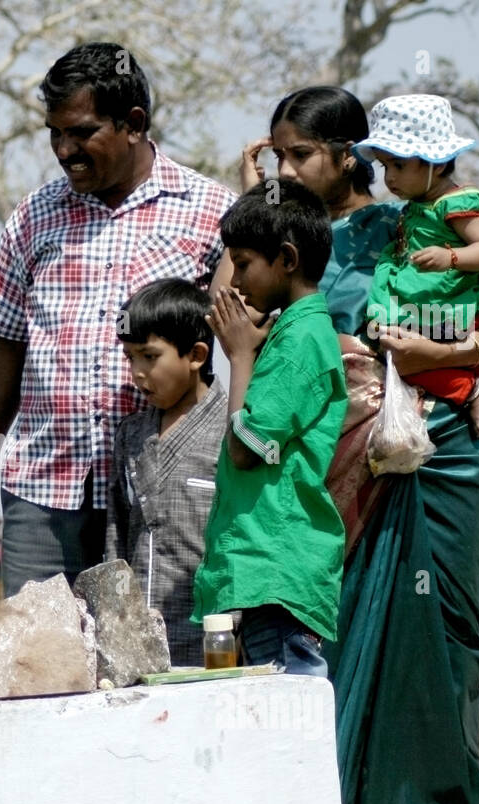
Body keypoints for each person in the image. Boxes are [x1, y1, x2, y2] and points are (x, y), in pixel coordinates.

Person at [240, 86, 479, 804]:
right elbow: (237, 324)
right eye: (276, 155)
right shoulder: (290, 237)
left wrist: (436, 352)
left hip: (432, 453)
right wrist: (252, 205)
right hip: (331, 468)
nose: (287, 168)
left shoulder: (409, 222)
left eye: (300, 154)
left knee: (444, 637)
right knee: (340, 643)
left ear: (353, 156)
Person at [0, 41, 236, 596]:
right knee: (42, 667)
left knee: (158, 666)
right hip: (43, 496)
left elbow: (248, 345)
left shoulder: (212, 214)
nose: (64, 149)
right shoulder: (34, 217)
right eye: (54, 133)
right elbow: (1, 356)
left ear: (133, 123)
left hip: (163, 492)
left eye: (81, 133)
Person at [192, 181, 346, 677]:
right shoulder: (291, 331)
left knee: (290, 729)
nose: (233, 281)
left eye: (242, 263)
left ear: (286, 258)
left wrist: (239, 355)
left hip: (277, 571)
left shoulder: (300, 340)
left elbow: (248, 448)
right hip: (265, 571)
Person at [354, 94, 479, 496]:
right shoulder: (419, 204)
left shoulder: (456, 203)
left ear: (433, 162)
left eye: (399, 165)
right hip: (431, 309)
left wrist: (450, 256)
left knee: (416, 365)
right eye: (385, 166)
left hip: (455, 305)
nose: (390, 178)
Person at [106, 279, 226, 667]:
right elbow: (117, 536)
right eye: (130, 358)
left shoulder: (233, 431)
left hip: (212, 640)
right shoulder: (131, 436)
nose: (137, 373)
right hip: (139, 646)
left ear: (195, 354)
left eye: (149, 356)